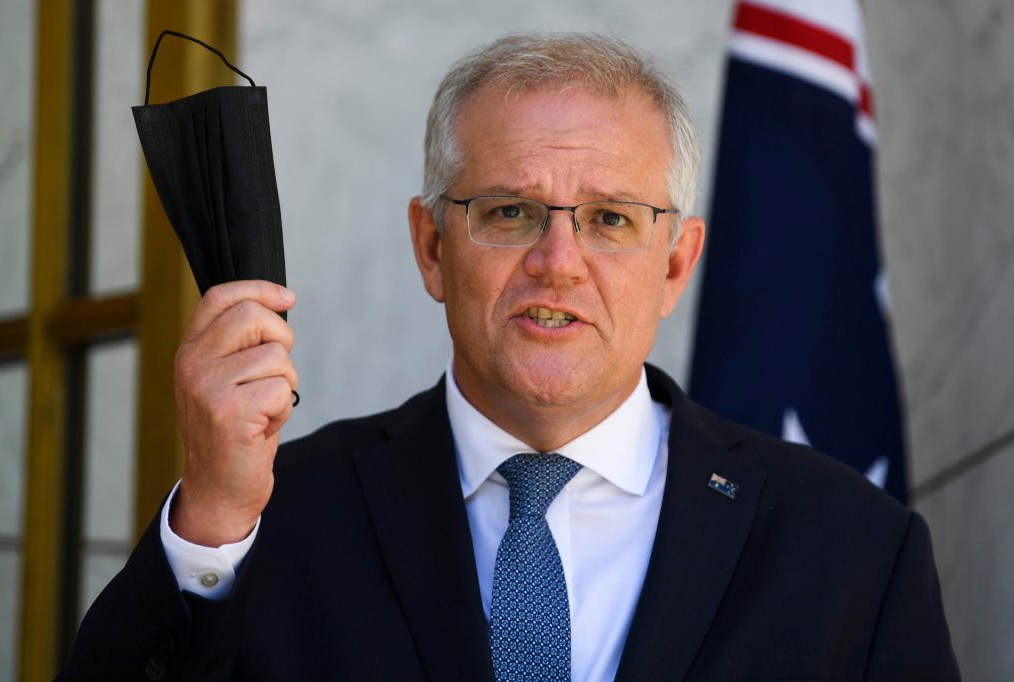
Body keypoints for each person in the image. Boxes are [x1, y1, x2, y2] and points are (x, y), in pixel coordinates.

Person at [60, 33, 959, 681]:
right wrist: (213, 521)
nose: (557, 262)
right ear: (431, 249)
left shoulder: (852, 553)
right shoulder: (272, 522)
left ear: (677, 262)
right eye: (508, 211)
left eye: (610, 218)